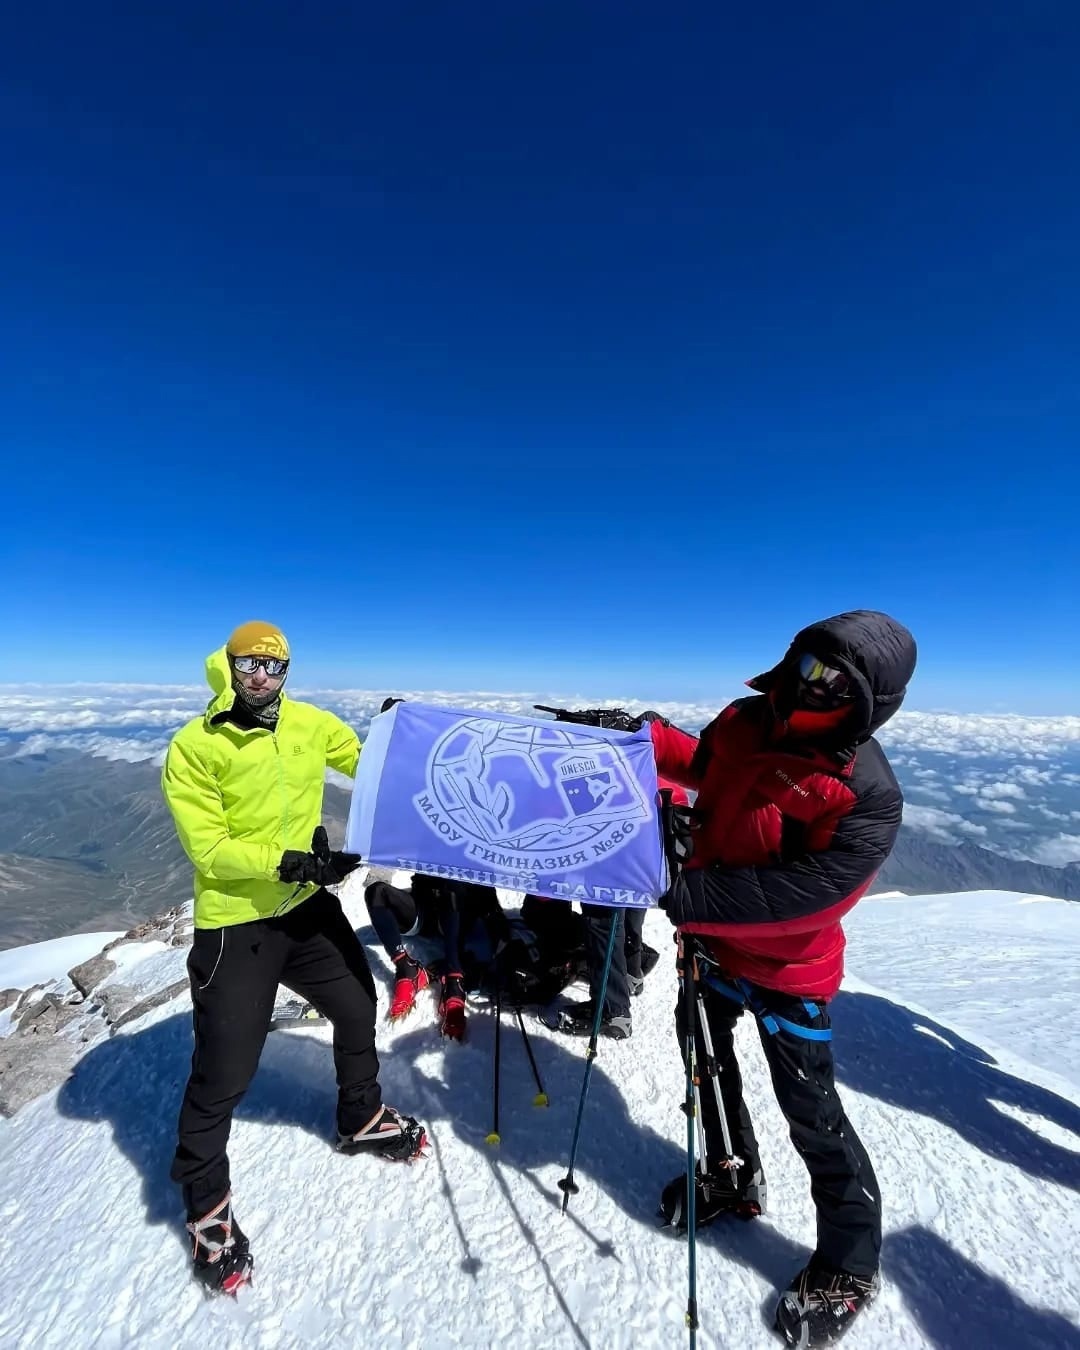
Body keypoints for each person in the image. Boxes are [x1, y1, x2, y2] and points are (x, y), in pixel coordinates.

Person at [649, 610, 916, 1348]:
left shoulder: (865, 790)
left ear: (870, 701)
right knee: (705, 1065)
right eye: (806, 662)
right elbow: (705, 766)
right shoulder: (747, 715)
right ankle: (732, 1175)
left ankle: (849, 1263)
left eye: (833, 678)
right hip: (710, 946)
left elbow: (814, 893)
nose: (809, 682)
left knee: (812, 1112)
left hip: (787, 968)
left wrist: (692, 899)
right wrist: (643, 736)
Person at [161, 621, 426, 1295]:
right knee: (224, 1070)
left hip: (305, 907)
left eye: (274, 666)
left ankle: (359, 1116)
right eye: (250, 663)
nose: (261, 676)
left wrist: (400, 737)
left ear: (286, 672)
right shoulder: (195, 745)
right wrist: (290, 862)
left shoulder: (309, 724)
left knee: (356, 1003)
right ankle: (206, 1205)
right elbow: (209, 850)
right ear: (229, 664)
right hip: (237, 921)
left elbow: (366, 762)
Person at [527, 705, 683, 1040]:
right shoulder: (656, 770)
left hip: (618, 865)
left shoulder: (612, 773)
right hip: (650, 867)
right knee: (627, 909)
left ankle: (612, 1011)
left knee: (600, 920)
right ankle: (631, 970)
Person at [364, 870, 520, 1039]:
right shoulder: (431, 843)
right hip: (426, 911)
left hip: (459, 914)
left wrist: (495, 918)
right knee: (376, 891)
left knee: (452, 887)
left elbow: (487, 895)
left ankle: (455, 978)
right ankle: (406, 967)